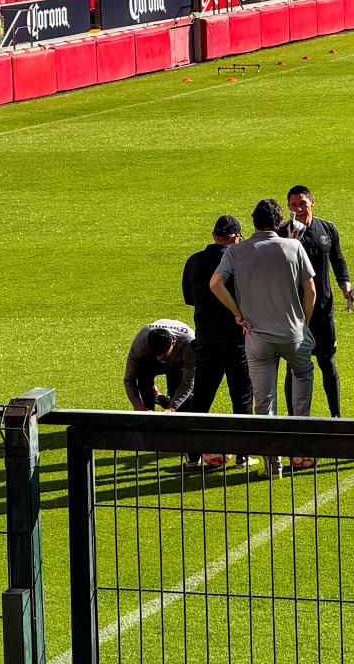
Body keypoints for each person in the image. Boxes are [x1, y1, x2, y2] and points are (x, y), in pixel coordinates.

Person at [210, 199, 317, 478]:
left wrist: (237, 313)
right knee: (303, 378)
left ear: (253, 222)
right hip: (294, 334)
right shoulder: (293, 246)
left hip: (258, 338)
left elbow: (215, 283)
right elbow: (311, 291)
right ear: (277, 221)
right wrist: (304, 324)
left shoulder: (236, 250)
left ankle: (273, 466)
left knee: (264, 403)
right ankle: (300, 451)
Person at [278, 185, 354, 418]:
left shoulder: (328, 229)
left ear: (313, 202)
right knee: (293, 368)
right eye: (293, 205)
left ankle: (336, 417)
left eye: (302, 203)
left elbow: (338, 259)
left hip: (323, 310)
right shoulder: (284, 233)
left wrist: (345, 287)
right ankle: (294, 419)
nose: (299, 209)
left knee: (327, 363)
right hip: (293, 312)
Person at [181, 215, 255, 469]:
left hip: (206, 341)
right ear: (236, 237)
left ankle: (192, 455)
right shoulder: (240, 260)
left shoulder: (194, 261)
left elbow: (189, 299)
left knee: (201, 398)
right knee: (242, 398)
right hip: (236, 341)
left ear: (214, 236)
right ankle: (243, 455)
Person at [123, 320, 196, 413]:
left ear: (172, 343)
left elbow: (187, 383)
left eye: (164, 354)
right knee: (142, 365)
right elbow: (129, 379)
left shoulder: (190, 345)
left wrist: (172, 407)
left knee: (183, 409)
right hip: (150, 363)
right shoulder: (140, 344)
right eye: (156, 354)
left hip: (179, 364)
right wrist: (139, 407)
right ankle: (149, 404)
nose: (160, 358)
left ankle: (158, 397)